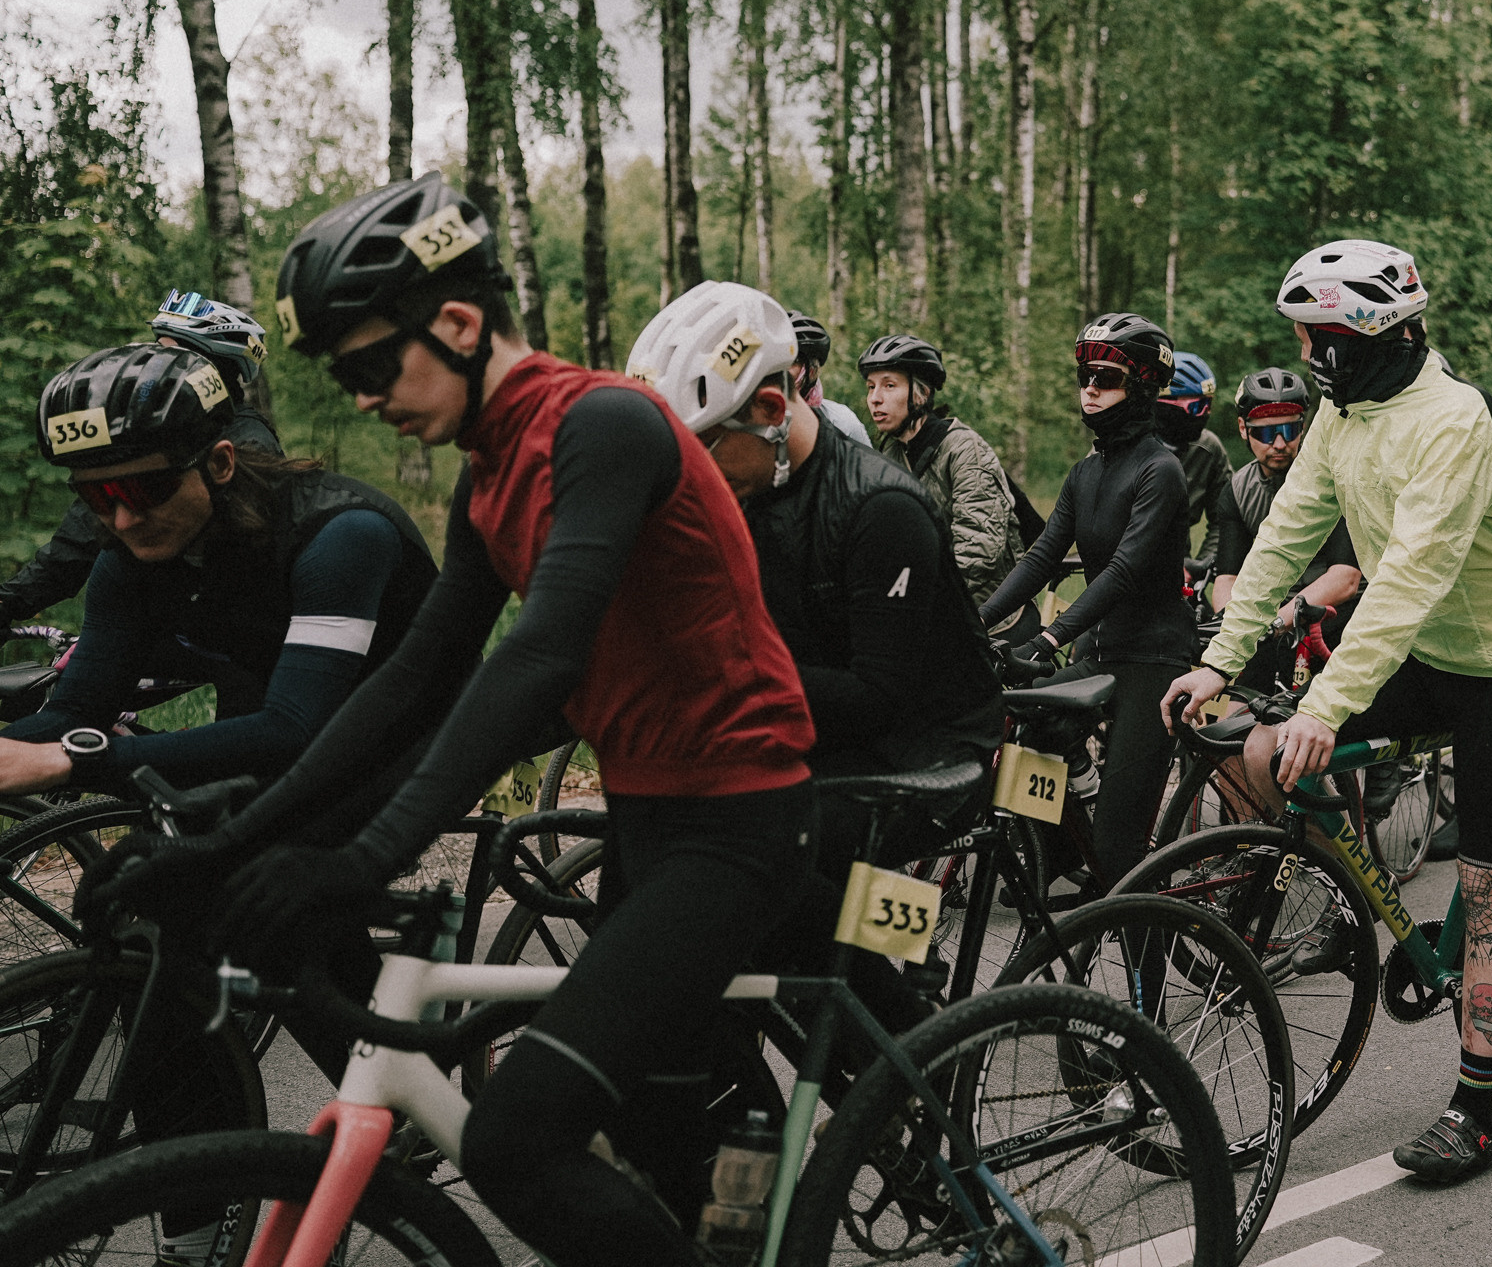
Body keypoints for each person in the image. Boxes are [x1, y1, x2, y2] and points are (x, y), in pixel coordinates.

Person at [141, 174, 819, 1267]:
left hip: (739, 822)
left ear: (457, 324)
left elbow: (539, 655)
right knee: (643, 1135)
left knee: (516, 1136)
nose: (362, 397)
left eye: (370, 364)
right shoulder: (488, 474)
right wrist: (243, 834)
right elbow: (415, 677)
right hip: (650, 820)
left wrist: (365, 854)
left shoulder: (605, 425)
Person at [1161, 239, 1492, 1184]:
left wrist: (1336, 700)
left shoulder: (1454, 417)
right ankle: (1351, 905)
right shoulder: (1342, 412)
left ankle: (1475, 1107)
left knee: (1488, 888)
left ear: (1371, 334)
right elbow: (1283, 537)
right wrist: (1217, 662)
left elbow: (1408, 578)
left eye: (1320, 337)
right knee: (1270, 751)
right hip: (1433, 650)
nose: (1310, 356)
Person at [629, 283, 1002, 864]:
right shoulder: (751, 483)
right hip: (835, 736)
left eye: (706, 447)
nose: (696, 472)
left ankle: (848, 956)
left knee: (760, 854)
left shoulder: (883, 509)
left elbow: (879, 695)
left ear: (772, 412)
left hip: (929, 754)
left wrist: (725, 675)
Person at [0, 344, 435, 797]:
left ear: (220, 463)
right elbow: (75, 712)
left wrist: (72, 759)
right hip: (285, 714)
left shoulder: (339, 536)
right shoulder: (129, 558)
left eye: (146, 489)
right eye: (96, 498)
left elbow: (291, 731)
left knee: (261, 851)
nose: (124, 519)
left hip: (416, 734)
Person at [980, 313, 1196, 892]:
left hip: (1154, 664)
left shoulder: (1161, 469)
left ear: (1144, 386)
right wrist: (974, 624)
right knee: (1029, 717)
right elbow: (1041, 558)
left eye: (1107, 377)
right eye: (1085, 376)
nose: (1091, 388)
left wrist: (1049, 637)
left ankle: (1139, 959)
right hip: (1102, 654)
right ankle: (1058, 843)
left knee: (1119, 859)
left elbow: (1125, 569)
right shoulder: (1084, 472)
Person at [0, 290, 281, 628]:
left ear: (213, 369)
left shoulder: (249, 441)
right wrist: (11, 601)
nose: (155, 364)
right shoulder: (150, 435)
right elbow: (79, 537)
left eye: (171, 355)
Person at [858, 333, 1029, 623]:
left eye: (889, 385)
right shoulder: (891, 451)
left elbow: (980, 550)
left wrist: (911, 593)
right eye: (871, 387)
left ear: (921, 393)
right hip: (924, 608)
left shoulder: (964, 450)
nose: (875, 398)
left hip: (992, 615)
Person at [1211, 367, 1364, 690]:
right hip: (1273, 621)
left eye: (1289, 431)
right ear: (1243, 429)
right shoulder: (1237, 490)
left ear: (1304, 428)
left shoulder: (1333, 478)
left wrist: (1273, 622)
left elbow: (1346, 578)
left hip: (1335, 616)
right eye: (1266, 434)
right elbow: (1227, 577)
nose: (1279, 443)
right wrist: (1231, 622)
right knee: (1234, 713)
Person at [1161, 351, 1232, 569]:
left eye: (1208, 406)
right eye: (1195, 407)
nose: (1204, 415)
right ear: (1163, 404)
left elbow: (1228, 518)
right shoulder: (1120, 444)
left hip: (1179, 569)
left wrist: (1199, 566)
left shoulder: (1208, 448)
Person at [787, 310, 870, 444]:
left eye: (792, 361)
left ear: (812, 371)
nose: (780, 370)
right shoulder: (750, 421)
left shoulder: (842, 422)